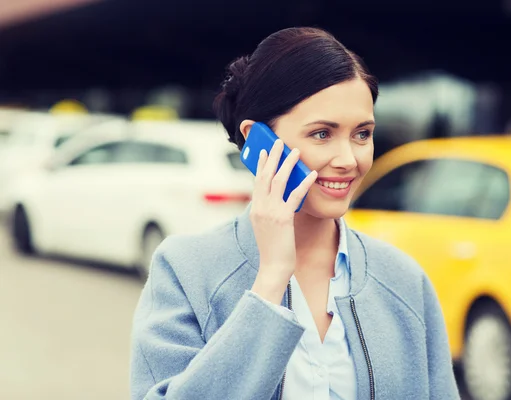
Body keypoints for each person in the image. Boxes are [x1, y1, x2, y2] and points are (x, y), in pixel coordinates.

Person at [129, 27, 460, 400]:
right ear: (258, 141)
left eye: (362, 134)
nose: (348, 160)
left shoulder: (404, 280)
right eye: (322, 134)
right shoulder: (185, 270)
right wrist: (271, 279)